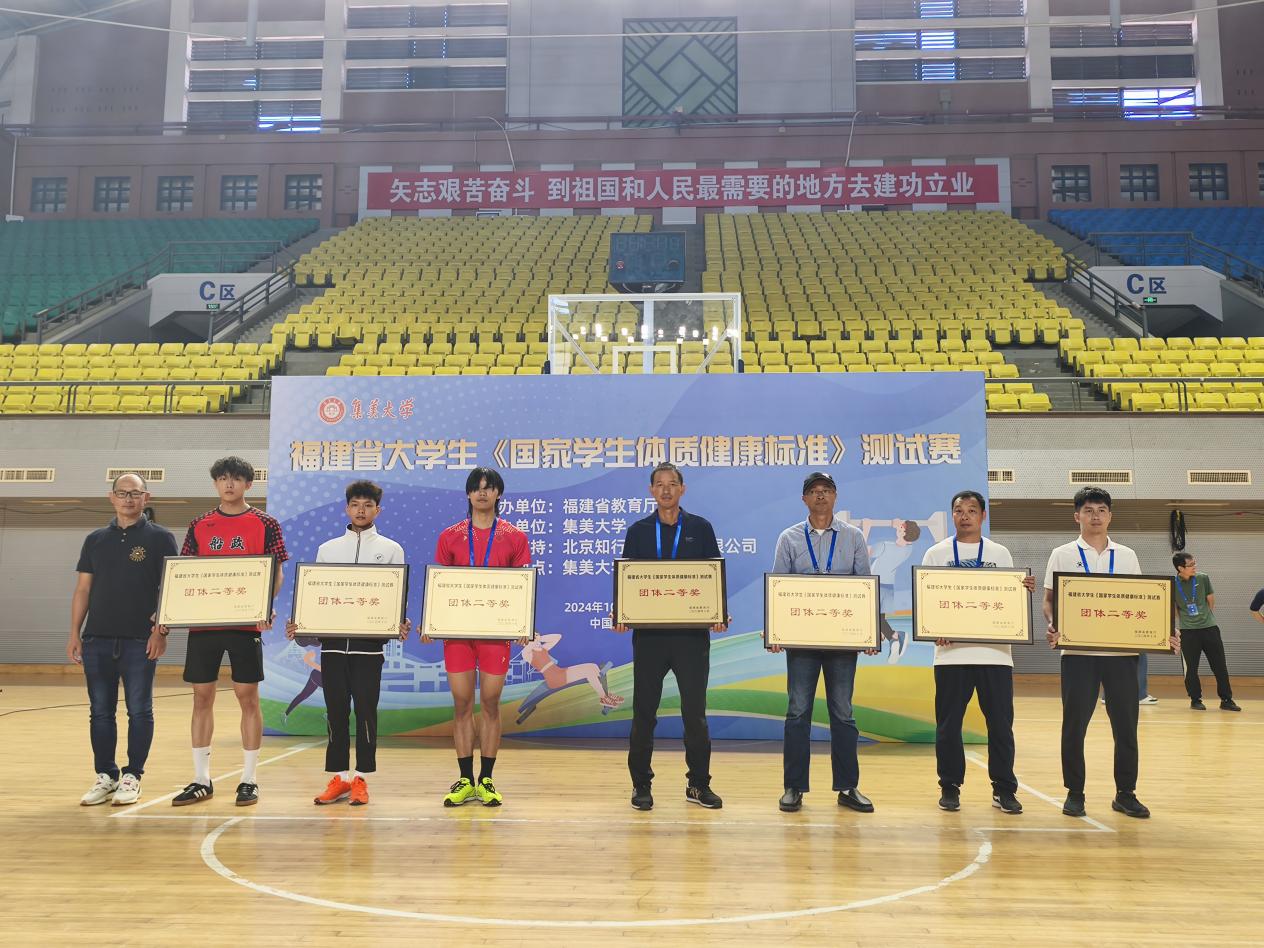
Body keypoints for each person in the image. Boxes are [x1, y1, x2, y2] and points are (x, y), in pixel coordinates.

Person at [1042, 486, 1178, 820]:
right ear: (1077, 516)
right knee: (1074, 728)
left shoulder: (1127, 555)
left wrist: (1164, 634)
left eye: (1102, 510)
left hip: (1122, 656)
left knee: (1126, 729)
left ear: (1110, 516)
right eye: (1089, 510)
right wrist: (1053, 624)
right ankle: (1075, 793)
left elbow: (1145, 601)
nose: (1095, 516)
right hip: (1077, 655)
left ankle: (1125, 794)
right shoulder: (1061, 554)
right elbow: (1049, 600)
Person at [170, 456, 288, 807]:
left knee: (247, 697)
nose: (229, 484)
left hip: (245, 624)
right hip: (204, 624)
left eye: (236, 479)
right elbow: (186, 572)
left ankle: (249, 779)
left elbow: (276, 571)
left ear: (249, 484)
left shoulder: (266, 523)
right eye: (223, 478)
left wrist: (265, 606)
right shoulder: (200, 524)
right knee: (201, 697)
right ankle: (200, 779)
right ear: (215, 484)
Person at [288, 480, 409, 807]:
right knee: (335, 712)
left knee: (366, 712)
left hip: (369, 649)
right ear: (346, 508)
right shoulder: (327, 550)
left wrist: (399, 622)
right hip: (332, 649)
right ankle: (340, 777)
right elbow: (316, 596)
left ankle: (361, 779)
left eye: (368, 505)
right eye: (355, 504)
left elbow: (395, 598)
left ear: (378, 510)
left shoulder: (392, 549)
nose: (361, 510)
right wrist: (300, 624)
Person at [615, 462, 727, 812]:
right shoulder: (638, 531)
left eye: (672, 483)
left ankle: (698, 784)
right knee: (644, 713)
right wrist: (621, 613)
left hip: (691, 638)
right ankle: (641, 785)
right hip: (650, 638)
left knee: (695, 714)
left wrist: (718, 613)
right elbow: (627, 579)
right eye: (659, 484)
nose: (666, 489)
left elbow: (713, 576)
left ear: (683, 489)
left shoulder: (700, 528)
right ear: (651, 491)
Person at [768, 472, 878, 815]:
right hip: (801, 643)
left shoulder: (853, 537)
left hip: (842, 644)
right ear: (804, 499)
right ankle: (793, 787)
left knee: (843, 713)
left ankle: (847, 787)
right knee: (797, 711)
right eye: (813, 491)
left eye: (826, 490)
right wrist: (775, 632)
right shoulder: (789, 538)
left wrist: (870, 632)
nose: (820, 496)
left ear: (835, 496)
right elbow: (779, 588)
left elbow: (865, 588)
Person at [921, 490, 1036, 815]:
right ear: (952, 515)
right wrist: (933, 626)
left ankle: (1004, 789)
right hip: (951, 656)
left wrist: (1021, 590)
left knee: (1000, 726)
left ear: (983, 516)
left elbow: (1009, 602)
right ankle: (950, 787)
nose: (965, 516)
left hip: (995, 655)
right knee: (948, 726)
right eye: (959, 510)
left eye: (972, 510)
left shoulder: (1000, 553)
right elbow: (927, 598)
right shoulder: (936, 553)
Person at [68, 473, 178, 806]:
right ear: (111, 497)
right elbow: (83, 589)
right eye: (122, 493)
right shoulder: (95, 540)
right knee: (100, 712)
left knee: (139, 710)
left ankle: (133, 776)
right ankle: (106, 775)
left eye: (135, 493)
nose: (128, 499)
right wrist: (74, 633)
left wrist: (160, 631)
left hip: (140, 640)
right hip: (97, 639)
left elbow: (170, 588)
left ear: (146, 498)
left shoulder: (161, 538)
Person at [431, 467, 531, 807]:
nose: (482, 493)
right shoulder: (450, 536)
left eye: (489, 488)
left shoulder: (514, 537)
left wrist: (522, 624)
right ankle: (464, 779)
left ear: (498, 494)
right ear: (468, 494)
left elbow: (521, 587)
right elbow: (441, 586)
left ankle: (486, 779)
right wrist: (433, 623)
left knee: (490, 702)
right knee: (461, 703)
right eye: (477, 488)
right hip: (458, 633)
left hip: (496, 634)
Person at [1173, 552, 1240, 712]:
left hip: (1209, 628)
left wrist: (1204, 618)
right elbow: (1175, 610)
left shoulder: (1203, 578)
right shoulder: (1173, 584)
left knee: (1220, 666)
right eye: (1191, 565)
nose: (1194, 567)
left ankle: (1226, 699)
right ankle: (1195, 699)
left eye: (1194, 563)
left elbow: (1210, 601)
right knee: (1190, 668)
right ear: (1180, 568)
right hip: (1188, 632)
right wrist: (1187, 620)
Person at [516, 633, 623, 724]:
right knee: (589, 672)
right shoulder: (527, 653)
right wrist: (533, 639)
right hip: (554, 678)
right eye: (533, 635)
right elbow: (529, 646)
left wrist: (540, 638)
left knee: (592, 666)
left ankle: (605, 696)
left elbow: (558, 637)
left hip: (559, 672)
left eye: (537, 634)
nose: (536, 637)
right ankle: (604, 697)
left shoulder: (542, 648)